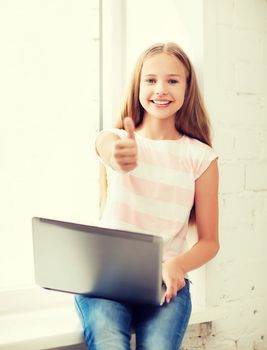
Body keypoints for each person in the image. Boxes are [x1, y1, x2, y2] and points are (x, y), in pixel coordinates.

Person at [75, 42, 219, 350]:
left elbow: (209, 242)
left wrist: (178, 265)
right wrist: (119, 155)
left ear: (187, 87)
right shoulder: (114, 139)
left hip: (166, 286)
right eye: (151, 80)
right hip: (105, 282)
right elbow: (109, 150)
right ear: (137, 85)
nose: (161, 89)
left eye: (172, 80)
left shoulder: (201, 158)